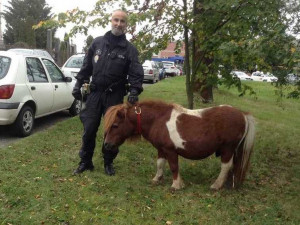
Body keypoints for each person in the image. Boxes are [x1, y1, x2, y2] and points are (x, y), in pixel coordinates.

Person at [72, 9, 144, 176]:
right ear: (111, 21)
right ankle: (85, 161)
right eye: (116, 20)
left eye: (122, 21)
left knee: (113, 130)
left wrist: (134, 90)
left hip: (114, 95)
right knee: (89, 129)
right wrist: (78, 84)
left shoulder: (129, 50)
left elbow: (135, 72)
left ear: (126, 25)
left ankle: (108, 162)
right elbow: (86, 67)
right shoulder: (97, 43)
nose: (118, 24)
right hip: (95, 94)